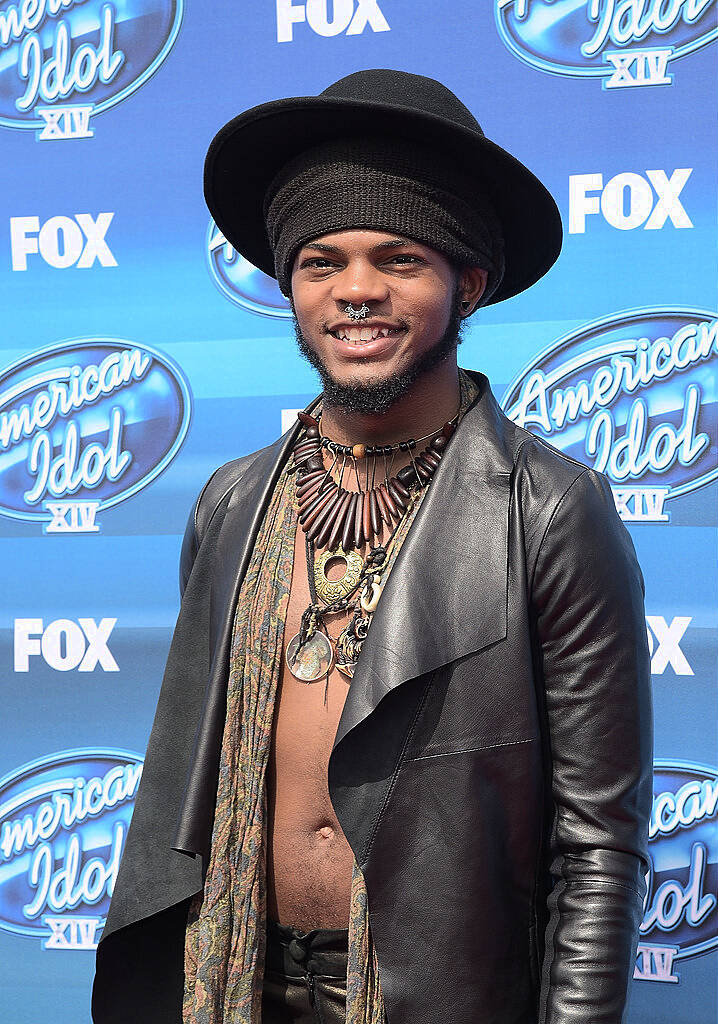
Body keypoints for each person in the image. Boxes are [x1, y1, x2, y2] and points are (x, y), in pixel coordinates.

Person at [91, 69, 653, 1024]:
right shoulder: (230, 501)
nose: (356, 291)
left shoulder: (549, 509)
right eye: (321, 262)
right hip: (229, 982)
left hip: (435, 997)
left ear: (466, 282)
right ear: (289, 287)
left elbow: (597, 843)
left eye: (397, 259)